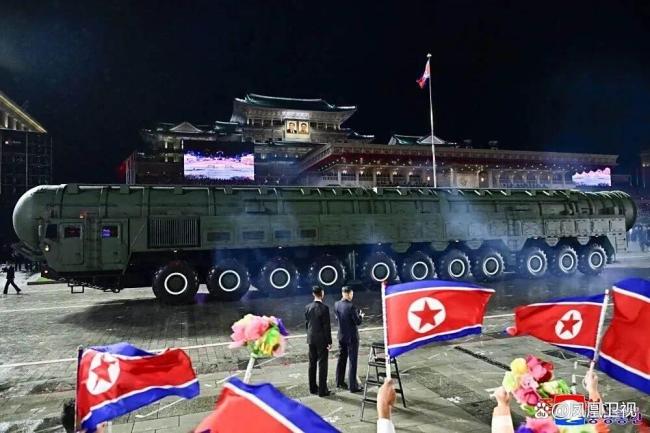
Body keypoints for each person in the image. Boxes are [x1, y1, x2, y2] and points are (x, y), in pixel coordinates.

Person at [334, 285, 364, 392]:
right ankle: (353, 386)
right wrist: (361, 316)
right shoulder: (351, 306)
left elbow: (338, 318)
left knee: (341, 359)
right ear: (349, 294)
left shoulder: (336, 304)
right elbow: (357, 322)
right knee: (352, 361)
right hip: (351, 337)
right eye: (352, 294)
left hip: (341, 336)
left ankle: (339, 382)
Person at [305, 286, 332, 397]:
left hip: (311, 339)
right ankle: (322, 390)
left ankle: (312, 388)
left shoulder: (307, 307)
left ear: (313, 294)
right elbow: (326, 327)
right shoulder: (324, 308)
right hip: (322, 340)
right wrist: (329, 341)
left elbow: (307, 324)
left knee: (312, 364)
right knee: (322, 365)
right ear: (322, 293)